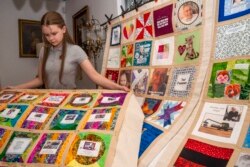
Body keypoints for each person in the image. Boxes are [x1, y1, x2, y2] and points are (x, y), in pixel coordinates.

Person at [7, 11, 129, 91]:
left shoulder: (76, 50)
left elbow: (95, 76)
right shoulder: (44, 51)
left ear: (64, 29)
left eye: (54, 33)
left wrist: (118, 87)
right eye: (47, 35)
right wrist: (15, 88)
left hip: (69, 101)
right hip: (49, 101)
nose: (51, 38)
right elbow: (40, 80)